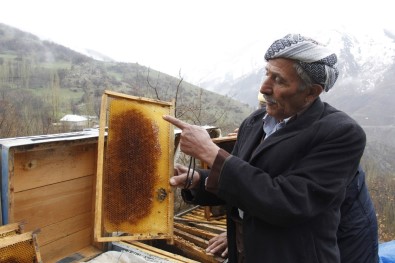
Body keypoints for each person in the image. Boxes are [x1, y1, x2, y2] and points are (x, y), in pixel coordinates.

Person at [163, 34, 376, 262]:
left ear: (311, 92)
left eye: (279, 80)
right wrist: (199, 179)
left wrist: (211, 154)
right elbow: (241, 180)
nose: (264, 88)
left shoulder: (341, 133)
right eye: (267, 74)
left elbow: (288, 202)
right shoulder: (255, 122)